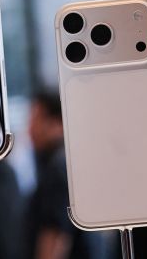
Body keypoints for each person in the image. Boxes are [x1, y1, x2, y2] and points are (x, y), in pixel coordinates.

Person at [23, 91, 107, 259]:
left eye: (36, 119)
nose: (30, 128)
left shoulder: (58, 166)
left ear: (57, 123)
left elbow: (55, 235)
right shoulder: (67, 160)